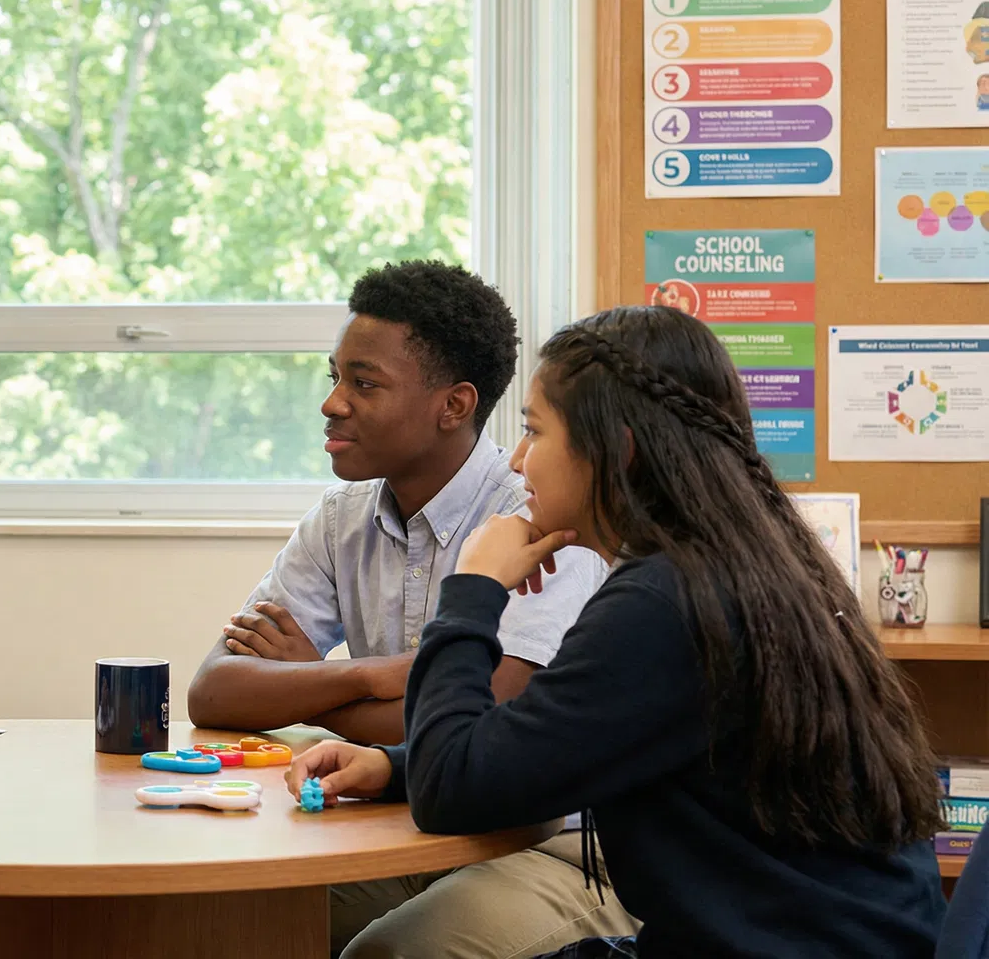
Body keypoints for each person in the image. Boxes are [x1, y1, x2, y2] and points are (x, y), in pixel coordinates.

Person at [287, 305, 946, 958]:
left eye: (536, 433)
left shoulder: (665, 601)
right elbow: (556, 738)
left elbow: (450, 792)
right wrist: (391, 766)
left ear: (618, 453)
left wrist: (472, 590)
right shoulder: (740, 564)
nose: (518, 462)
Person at [184, 260, 633, 957]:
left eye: (363, 384)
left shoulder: (542, 520)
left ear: (453, 406)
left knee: (386, 954)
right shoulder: (340, 520)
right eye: (332, 377)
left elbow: (488, 727)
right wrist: (370, 677)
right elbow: (215, 692)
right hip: (407, 822)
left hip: (553, 846)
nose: (333, 403)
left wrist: (300, 690)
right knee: (226, 917)